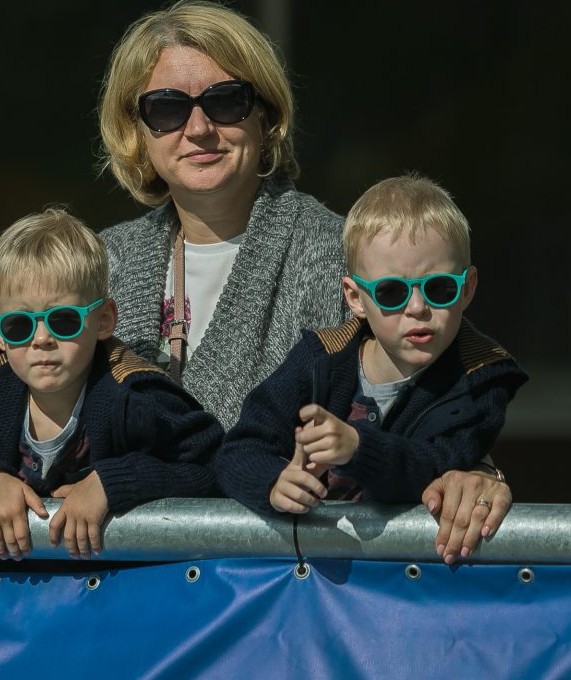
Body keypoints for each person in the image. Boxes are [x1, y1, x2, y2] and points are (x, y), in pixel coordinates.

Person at [0, 0, 514, 561]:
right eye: (166, 108)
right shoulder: (99, 260)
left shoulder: (342, 252)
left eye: (225, 101)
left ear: (266, 115)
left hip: (282, 596)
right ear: (137, 132)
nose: (198, 128)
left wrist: (478, 472)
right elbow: (40, 419)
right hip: (118, 596)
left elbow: (445, 386)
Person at [215, 175, 527, 563]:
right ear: (355, 298)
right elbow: (238, 449)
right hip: (305, 577)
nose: (418, 307)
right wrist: (273, 483)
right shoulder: (318, 359)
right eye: (391, 292)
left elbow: (437, 464)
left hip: (405, 576)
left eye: (439, 288)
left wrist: (358, 448)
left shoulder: (481, 378)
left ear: (467, 289)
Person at [0, 208, 223, 560]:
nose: (41, 339)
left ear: (104, 320)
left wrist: (111, 482)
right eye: (19, 325)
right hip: (15, 586)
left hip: (120, 583)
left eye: (64, 320)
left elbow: (211, 463)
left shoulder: (135, 396)